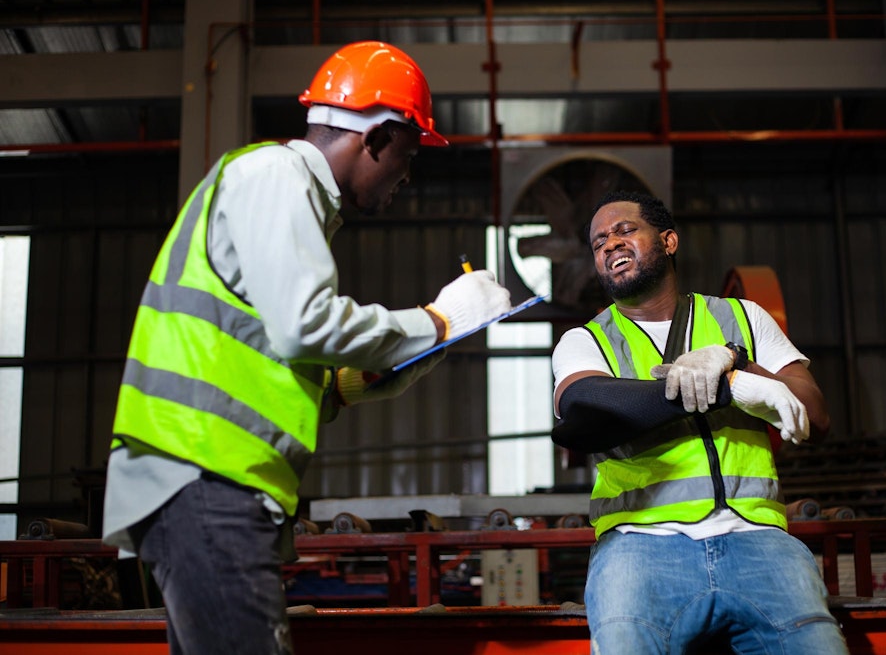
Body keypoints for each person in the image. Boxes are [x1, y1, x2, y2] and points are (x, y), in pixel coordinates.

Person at [101, 40, 511, 655]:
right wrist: (437, 320)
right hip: (206, 479)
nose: (408, 174)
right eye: (409, 151)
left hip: (206, 484)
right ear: (377, 137)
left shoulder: (287, 199)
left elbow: (268, 355)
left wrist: (356, 382)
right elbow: (303, 324)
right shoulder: (273, 175)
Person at [550, 190, 848, 654]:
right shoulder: (585, 340)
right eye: (598, 242)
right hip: (638, 544)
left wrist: (737, 361)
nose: (609, 244)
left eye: (625, 230)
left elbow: (816, 411)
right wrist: (729, 388)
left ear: (669, 241)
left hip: (758, 539)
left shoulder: (743, 319)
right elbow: (585, 409)